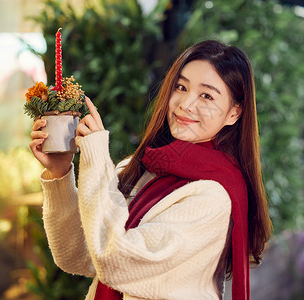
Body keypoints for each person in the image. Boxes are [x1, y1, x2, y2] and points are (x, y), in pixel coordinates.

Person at [29, 40, 272, 300]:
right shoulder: (141, 167)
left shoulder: (213, 196)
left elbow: (115, 260)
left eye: (207, 95)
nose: (186, 104)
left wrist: (96, 155)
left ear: (234, 113)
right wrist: (60, 173)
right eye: (181, 87)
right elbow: (77, 255)